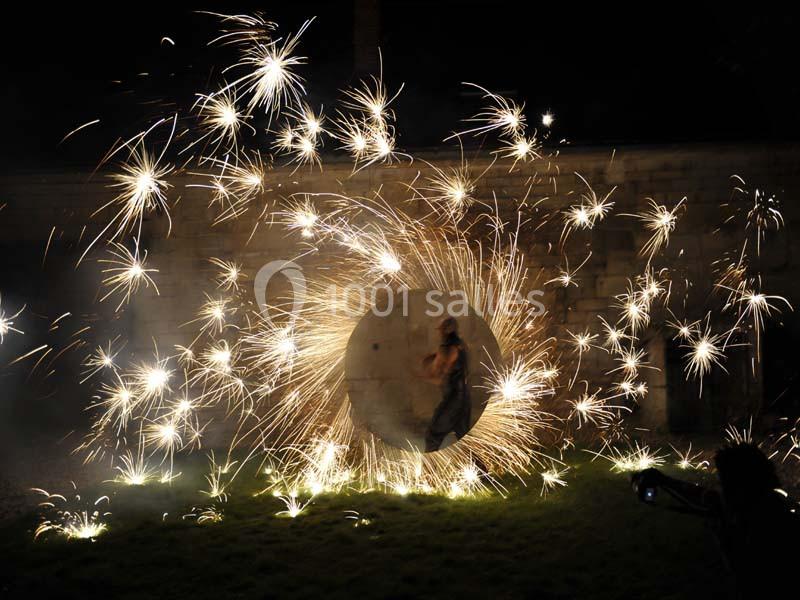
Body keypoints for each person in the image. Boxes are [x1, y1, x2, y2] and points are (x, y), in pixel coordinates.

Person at [632, 442, 799, 597]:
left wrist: (722, 533)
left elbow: (747, 579)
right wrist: (666, 481)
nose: (720, 489)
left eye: (723, 484)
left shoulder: (770, 526)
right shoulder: (757, 503)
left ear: (739, 488)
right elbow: (706, 497)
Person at [420, 316, 470, 452]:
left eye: (441, 330)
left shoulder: (448, 347)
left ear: (447, 330)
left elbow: (440, 372)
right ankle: (482, 472)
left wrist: (425, 376)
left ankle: (429, 472)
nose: (439, 332)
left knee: (432, 435)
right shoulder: (460, 344)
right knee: (464, 437)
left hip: (454, 399)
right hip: (464, 398)